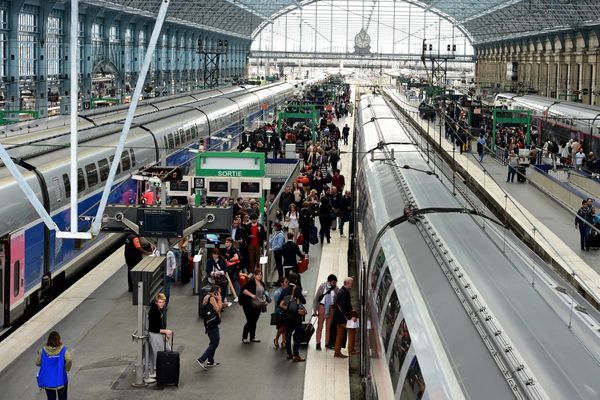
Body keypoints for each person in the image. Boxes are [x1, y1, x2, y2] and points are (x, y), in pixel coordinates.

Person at [36, 331, 72, 400]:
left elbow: (37, 363)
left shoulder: (42, 350)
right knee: (63, 398)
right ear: (59, 339)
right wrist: (66, 368)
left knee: (51, 398)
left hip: (48, 380)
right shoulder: (63, 350)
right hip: (61, 379)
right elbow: (69, 359)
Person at [147, 293, 172, 382]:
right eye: (160, 302)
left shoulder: (158, 309)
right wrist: (165, 331)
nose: (161, 304)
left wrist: (164, 333)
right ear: (156, 302)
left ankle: (156, 370)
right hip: (155, 335)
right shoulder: (154, 311)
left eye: (163, 302)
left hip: (158, 334)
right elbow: (153, 328)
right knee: (159, 353)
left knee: (162, 351)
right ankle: (156, 371)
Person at [282, 272, 307, 362]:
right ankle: (296, 355)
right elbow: (303, 301)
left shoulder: (284, 289)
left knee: (288, 334)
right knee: (297, 335)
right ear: (296, 280)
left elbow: (281, 303)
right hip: (296, 316)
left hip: (287, 315)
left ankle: (289, 354)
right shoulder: (297, 289)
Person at [197, 285, 223, 369]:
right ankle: (202, 359)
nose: (220, 293)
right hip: (212, 323)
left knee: (213, 342)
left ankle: (210, 361)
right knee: (215, 342)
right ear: (215, 292)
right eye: (219, 292)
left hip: (208, 322)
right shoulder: (212, 298)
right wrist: (220, 300)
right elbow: (217, 309)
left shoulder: (207, 297)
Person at [239, 269, 267, 343]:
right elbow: (243, 289)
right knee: (250, 321)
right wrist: (252, 295)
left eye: (261, 274)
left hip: (258, 305)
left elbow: (263, 293)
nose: (259, 276)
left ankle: (252, 337)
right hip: (248, 304)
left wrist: (264, 299)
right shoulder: (251, 282)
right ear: (254, 275)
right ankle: (244, 337)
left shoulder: (262, 284)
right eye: (258, 274)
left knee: (254, 321)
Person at [313, 274, 338, 351]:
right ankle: (318, 343)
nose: (334, 283)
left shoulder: (336, 289)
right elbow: (316, 298)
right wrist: (315, 310)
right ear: (329, 281)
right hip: (322, 307)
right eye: (333, 282)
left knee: (328, 327)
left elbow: (337, 299)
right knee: (320, 326)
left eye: (335, 282)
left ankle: (327, 343)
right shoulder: (322, 287)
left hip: (331, 308)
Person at [334, 277, 355, 358]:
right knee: (352, 331)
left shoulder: (343, 291)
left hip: (339, 317)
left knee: (340, 335)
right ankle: (351, 350)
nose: (352, 284)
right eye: (351, 283)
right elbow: (343, 308)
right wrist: (350, 317)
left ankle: (337, 351)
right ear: (348, 283)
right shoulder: (343, 293)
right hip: (342, 318)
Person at [273, 276, 289, 349]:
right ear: (282, 284)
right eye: (286, 282)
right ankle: (276, 339)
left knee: (285, 327)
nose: (287, 283)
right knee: (283, 326)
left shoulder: (286, 290)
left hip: (285, 311)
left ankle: (283, 341)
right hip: (280, 312)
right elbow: (278, 304)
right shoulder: (277, 292)